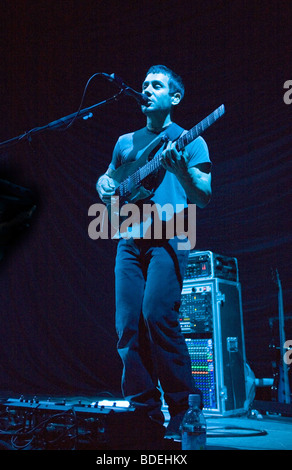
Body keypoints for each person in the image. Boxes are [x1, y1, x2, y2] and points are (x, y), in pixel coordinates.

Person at [96, 65, 212, 441]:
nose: (147, 89)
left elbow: (203, 196)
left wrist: (180, 173)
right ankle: (143, 409)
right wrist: (103, 183)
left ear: (174, 97)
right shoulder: (125, 141)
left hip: (171, 237)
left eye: (156, 85)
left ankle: (184, 408)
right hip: (129, 240)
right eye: (144, 84)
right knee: (128, 324)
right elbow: (112, 181)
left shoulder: (190, 141)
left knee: (157, 313)